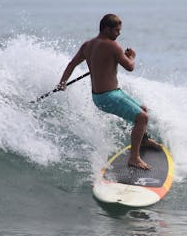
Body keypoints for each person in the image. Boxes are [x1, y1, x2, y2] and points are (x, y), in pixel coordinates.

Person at [57, 14, 160, 170]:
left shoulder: (88, 45)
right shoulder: (113, 46)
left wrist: (62, 82)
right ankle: (134, 158)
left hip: (104, 95)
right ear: (106, 28)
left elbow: (72, 64)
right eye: (116, 31)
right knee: (142, 117)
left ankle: (143, 140)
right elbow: (130, 67)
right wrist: (131, 56)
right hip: (108, 97)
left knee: (143, 110)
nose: (119, 34)